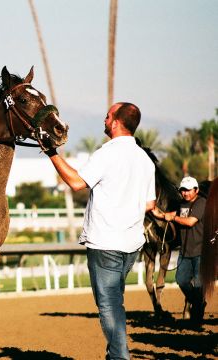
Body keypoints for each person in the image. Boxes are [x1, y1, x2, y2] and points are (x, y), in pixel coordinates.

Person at [42, 102, 156, 359]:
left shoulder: (107, 153)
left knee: (108, 306)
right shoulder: (145, 160)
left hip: (106, 242)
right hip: (132, 245)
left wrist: (51, 152)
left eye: (107, 117)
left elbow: (76, 182)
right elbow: (150, 204)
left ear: (115, 122)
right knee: (115, 304)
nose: (104, 121)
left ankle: (119, 357)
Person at [154, 176, 207, 324]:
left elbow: (190, 222)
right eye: (183, 190)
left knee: (198, 284)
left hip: (200, 252)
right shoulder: (181, 204)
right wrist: (155, 211)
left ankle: (196, 317)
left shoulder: (201, 203)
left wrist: (173, 217)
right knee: (181, 280)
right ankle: (198, 304)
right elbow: (165, 216)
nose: (186, 193)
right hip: (185, 252)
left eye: (189, 190)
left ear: (196, 190)